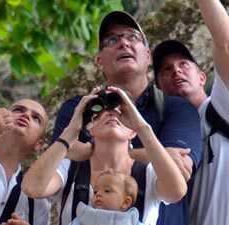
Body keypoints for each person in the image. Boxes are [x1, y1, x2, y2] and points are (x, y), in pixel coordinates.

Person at [47, 10, 202, 225]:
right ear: (99, 62)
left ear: (148, 56)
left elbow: (180, 169)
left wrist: (99, 150)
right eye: (112, 39)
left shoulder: (176, 108)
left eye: (133, 37)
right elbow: (63, 154)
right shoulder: (79, 107)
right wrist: (158, 155)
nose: (123, 43)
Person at [152, 0, 229, 224]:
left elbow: (226, 43)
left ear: (202, 77)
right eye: (165, 70)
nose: (176, 71)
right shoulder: (164, 135)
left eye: (184, 64)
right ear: (159, 88)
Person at [22, 86, 187, 225]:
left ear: (133, 132)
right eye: (100, 112)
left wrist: (142, 127)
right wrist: (71, 131)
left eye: (121, 111)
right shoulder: (70, 169)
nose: (112, 113)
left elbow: (176, 192)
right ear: (91, 128)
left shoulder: (148, 173)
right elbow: (32, 188)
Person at [70, 169, 143, 225]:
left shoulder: (132, 222)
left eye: (107, 191)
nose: (98, 194)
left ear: (126, 202)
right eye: (95, 192)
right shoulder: (83, 217)